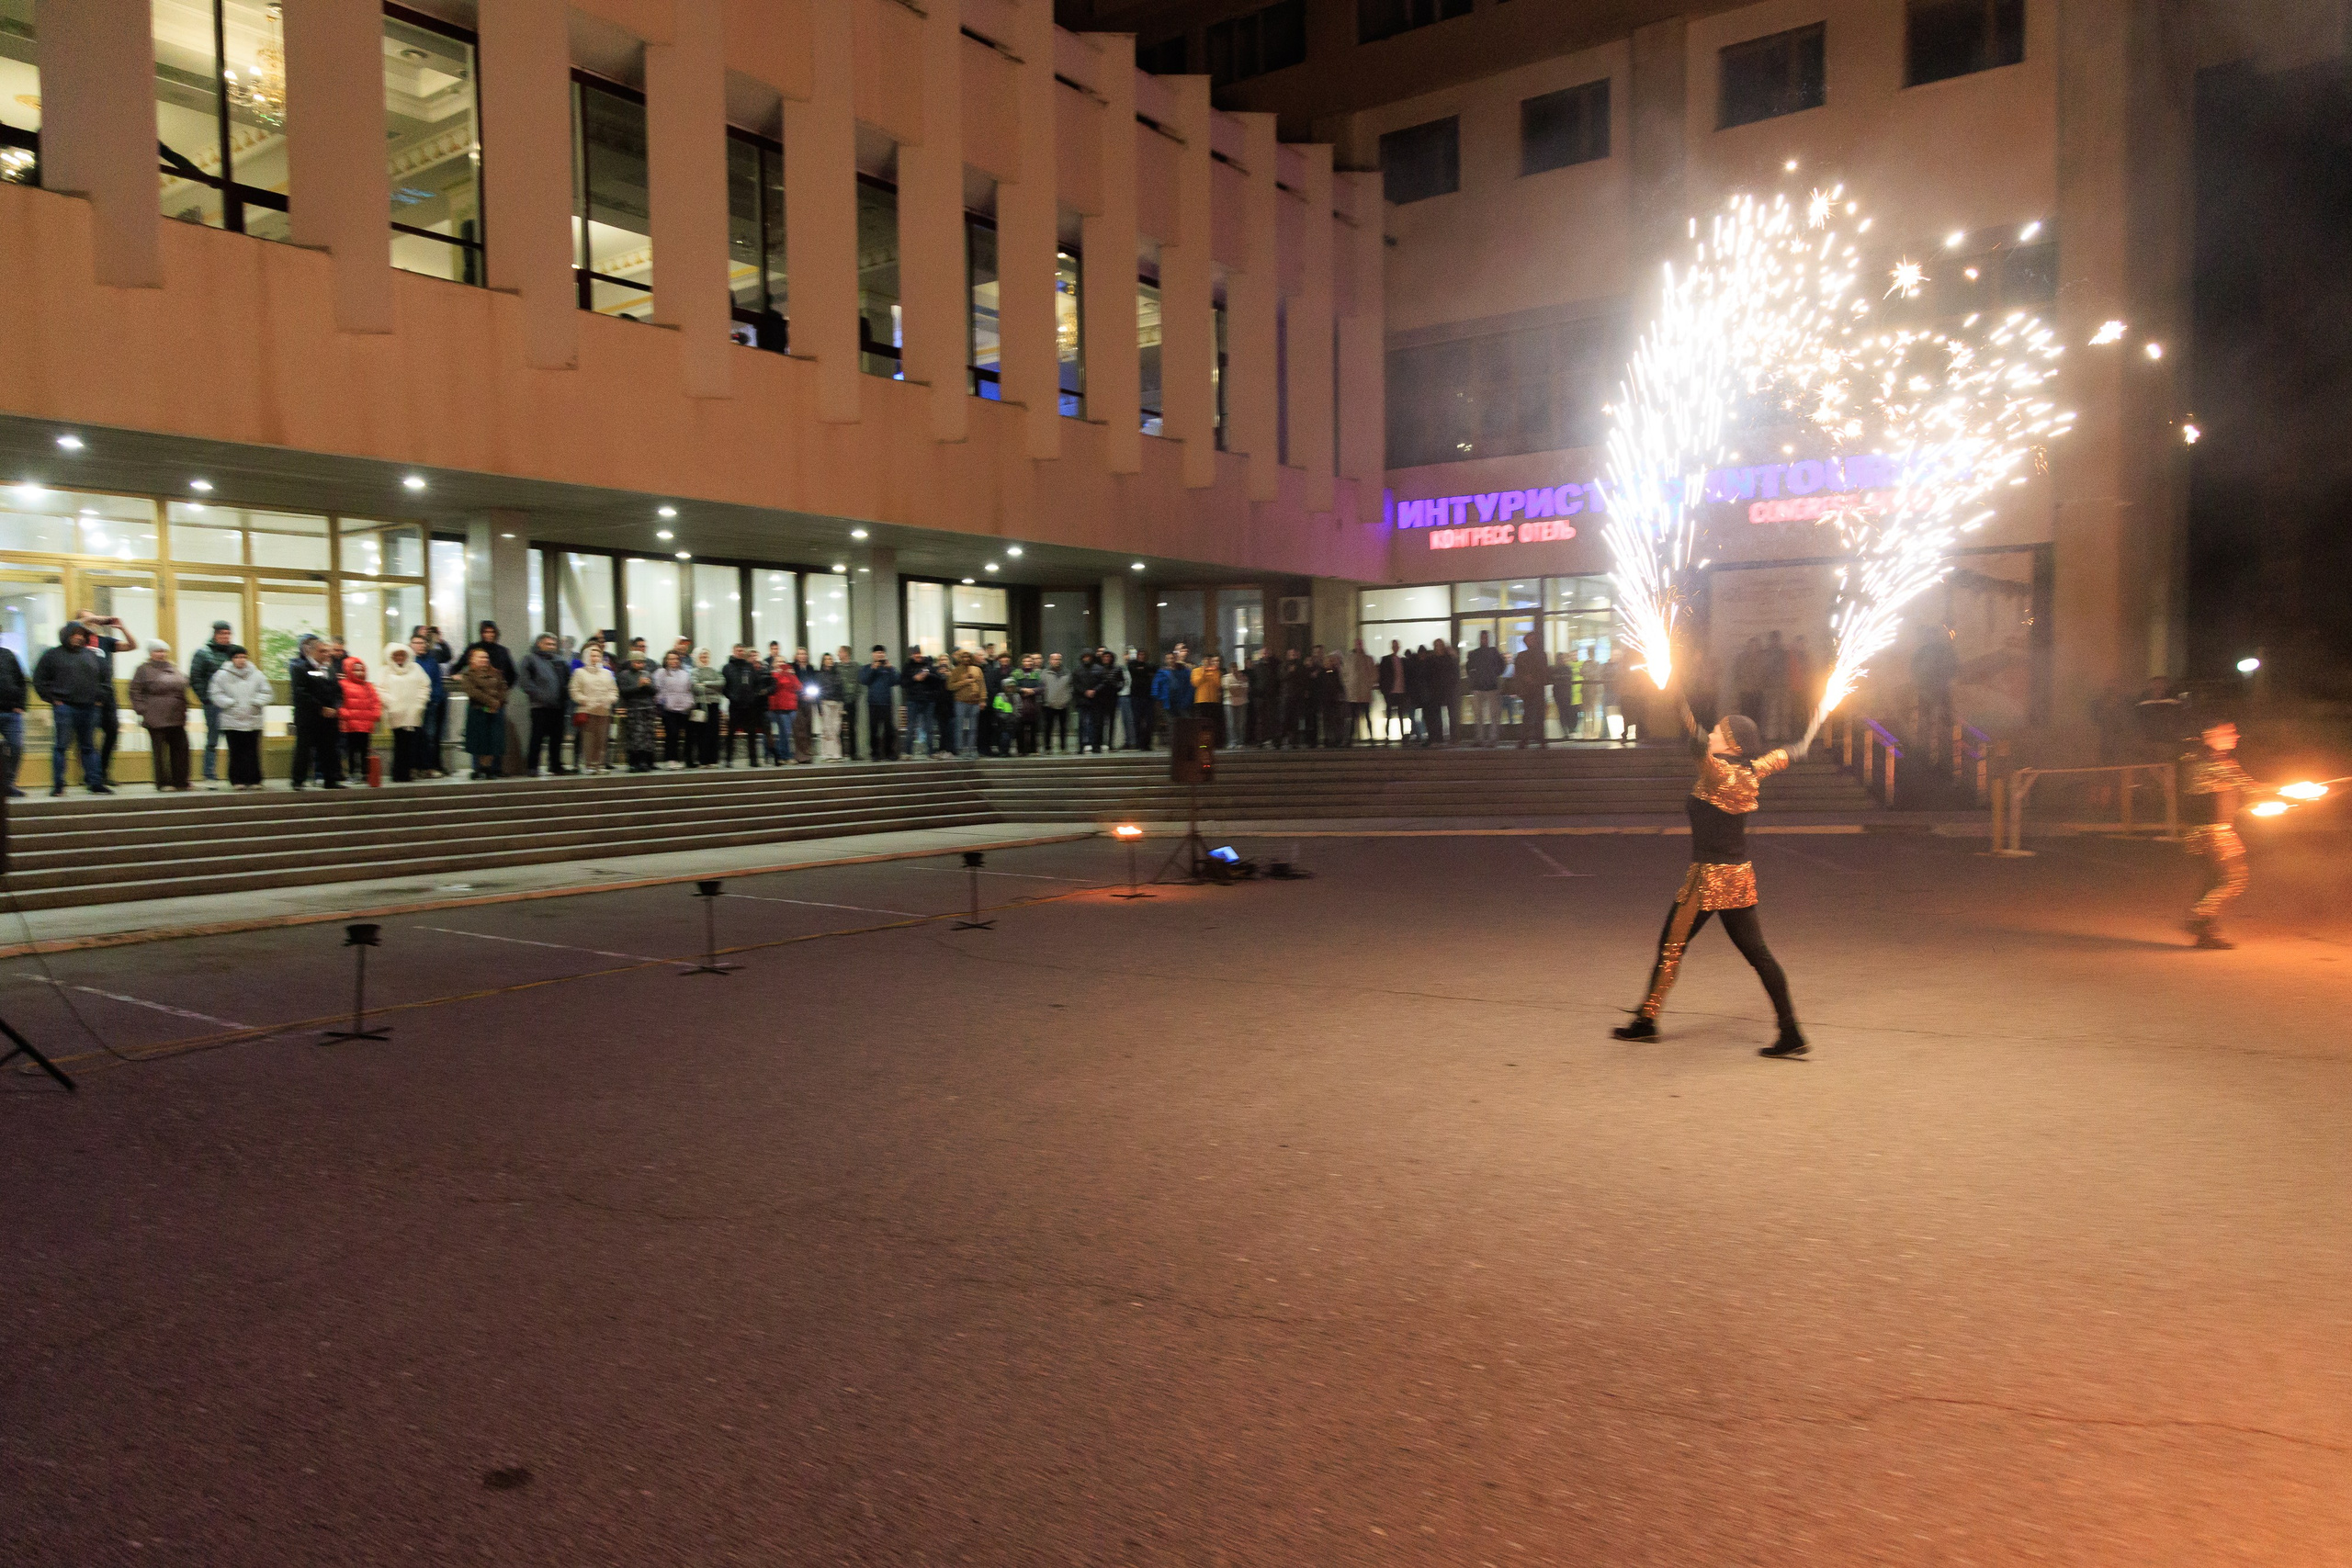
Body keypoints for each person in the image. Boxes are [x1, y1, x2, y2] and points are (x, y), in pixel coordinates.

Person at [1613, 699, 1810, 1058]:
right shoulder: (1751, 771)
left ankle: (1646, 1022)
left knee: (1671, 948)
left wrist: (1677, 699)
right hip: (1739, 878)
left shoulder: (1719, 773)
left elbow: (1695, 739)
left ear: (1733, 745)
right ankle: (1791, 1030)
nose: (1714, 732)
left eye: (1720, 730)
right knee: (1759, 955)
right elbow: (1776, 758)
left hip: (1707, 881)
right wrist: (1796, 750)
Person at [2178, 716, 2268, 950]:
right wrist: (2291, 792)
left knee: (2214, 880)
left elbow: (2235, 792)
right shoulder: (2211, 763)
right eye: (2228, 732)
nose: (2235, 736)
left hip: (2212, 831)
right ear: (2210, 736)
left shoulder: (2212, 761)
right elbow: (2248, 786)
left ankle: (2205, 933)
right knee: (2232, 879)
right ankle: (2197, 918)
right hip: (2210, 833)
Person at [75, 609, 134, 785]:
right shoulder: (76, 642)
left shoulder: (105, 642)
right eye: (88, 619)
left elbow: (132, 646)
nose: (94, 622)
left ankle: (103, 772)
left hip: (107, 693)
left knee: (112, 731)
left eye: (95, 618)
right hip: (85, 695)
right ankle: (90, 775)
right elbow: (77, 623)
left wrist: (122, 628)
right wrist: (97, 618)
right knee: (87, 736)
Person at [127, 640, 194, 791]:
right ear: (151, 653)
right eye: (157, 651)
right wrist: (142, 710)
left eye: (163, 651)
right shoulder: (143, 669)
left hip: (176, 716)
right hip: (155, 716)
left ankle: (181, 781)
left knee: (181, 748)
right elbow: (135, 691)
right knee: (159, 752)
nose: (161, 654)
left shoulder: (173, 668)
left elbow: (183, 686)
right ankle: (163, 782)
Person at [286, 635, 346, 789]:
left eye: (327, 651)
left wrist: (335, 707)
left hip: (329, 717)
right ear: (310, 651)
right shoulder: (299, 667)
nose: (326, 654)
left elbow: (338, 691)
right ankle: (298, 781)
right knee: (304, 749)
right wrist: (321, 708)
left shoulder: (329, 669)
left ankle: (331, 780)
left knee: (329, 749)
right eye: (322, 651)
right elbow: (301, 693)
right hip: (308, 717)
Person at [209, 646, 270, 789]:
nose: (241, 660)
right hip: (232, 719)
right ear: (231, 659)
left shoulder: (257, 674)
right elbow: (215, 693)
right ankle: (237, 780)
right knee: (236, 751)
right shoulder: (221, 675)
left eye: (243, 657)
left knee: (252, 751)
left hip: (252, 718)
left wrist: (257, 702)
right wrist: (230, 703)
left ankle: (254, 780)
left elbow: (266, 692)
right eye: (237, 657)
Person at [187, 620, 235, 785]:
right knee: (213, 739)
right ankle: (209, 774)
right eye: (222, 633)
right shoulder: (203, 653)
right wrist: (206, 698)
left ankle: (234, 775)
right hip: (213, 704)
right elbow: (196, 678)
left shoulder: (235, 653)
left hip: (233, 705)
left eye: (228, 633)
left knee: (234, 740)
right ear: (215, 635)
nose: (226, 637)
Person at [377, 641, 431, 783]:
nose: (400, 657)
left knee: (411, 744)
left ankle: (407, 772)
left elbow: (424, 686)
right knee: (399, 743)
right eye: (396, 655)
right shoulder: (384, 671)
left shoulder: (416, 668)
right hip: (395, 713)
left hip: (413, 712)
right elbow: (380, 690)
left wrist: (420, 703)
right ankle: (398, 773)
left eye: (402, 654)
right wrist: (392, 703)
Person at [519, 632, 571, 777]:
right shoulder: (530, 659)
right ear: (539, 644)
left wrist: (565, 695)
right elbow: (524, 681)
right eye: (548, 644)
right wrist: (539, 696)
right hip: (540, 706)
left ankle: (555, 765)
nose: (551, 647)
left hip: (559, 706)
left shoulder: (560, 661)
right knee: (537, 737)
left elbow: (567, 680)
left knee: (557, 738)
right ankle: (532, 767)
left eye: (553, 644)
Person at [453, 649, 507, 781]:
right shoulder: (468, 675)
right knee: (479, 740)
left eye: (486, 657)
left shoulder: (496, 674)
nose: (484, 660)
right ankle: (479, 767)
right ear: (472, 660)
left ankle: (488, 767)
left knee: (493, 741)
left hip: (495, 712)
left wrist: (499, 702)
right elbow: (473, 692)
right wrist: (491, 702)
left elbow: (503, 688)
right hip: (478, 710)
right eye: (481, 658)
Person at [1910, 625, 1959, 762]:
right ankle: (1939, 756)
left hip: (1933, 691)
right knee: (1932, 723)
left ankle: (1931, 756)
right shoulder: (1944, 651)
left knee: (1933, 724)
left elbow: (1915, 671)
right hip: (1935, 691)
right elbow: (1954, 668)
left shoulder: (1923, 652)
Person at [568, 646, 617, 773]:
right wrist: (585, 700)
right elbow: (574, 690)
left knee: (602, 739)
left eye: (597, 656)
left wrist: (610, 699)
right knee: (589, 740)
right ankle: (589, 765)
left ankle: (599, 765)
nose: (595, 658)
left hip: (604, 711)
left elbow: (613, 690)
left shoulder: (607, 673)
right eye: (592, 655)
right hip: (587, 711)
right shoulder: (579, 672)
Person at [723, 645, 774, 765]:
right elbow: (724, 686)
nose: (740, 653)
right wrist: (732, 697)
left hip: (750, 706)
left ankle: (753, 759)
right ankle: (728, 759)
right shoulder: (727, 668)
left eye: (742, 651)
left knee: (752, 732)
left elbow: (756, 684)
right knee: (731, 732)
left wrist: (754, 696)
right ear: (733, 652)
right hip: (735, 705)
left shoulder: (749, 667)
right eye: (738, 651)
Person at [337, 655, 382, 782]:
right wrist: (344, 714)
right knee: (351, 751)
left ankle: (365, 772)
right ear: (348, 670)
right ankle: (351, 772)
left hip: (365, 725)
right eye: (355, 670)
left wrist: (375, 714)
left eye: (361, 669)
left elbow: (375, 702)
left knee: (364, 750)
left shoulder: (368, 686)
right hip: (350, 725)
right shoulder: (343, 685)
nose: (359, 672)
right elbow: (338, 702)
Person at [614, 650, 659, 772]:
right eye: (637, 662)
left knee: (647, 736)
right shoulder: (624, 675)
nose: (640, 665)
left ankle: (646, 761)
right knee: (635, 736)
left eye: (642, 662)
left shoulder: (647, 674)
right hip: (634, 709)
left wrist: (648, 685)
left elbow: (655, 691)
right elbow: (624, 692)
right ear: (631, 662)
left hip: (648, 709)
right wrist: (638, 686)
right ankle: (634, 762)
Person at [412, 631, 447, 776]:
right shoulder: (410, 661)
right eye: (417, 643)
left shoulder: (432, 661)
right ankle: (415, 766)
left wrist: (436, 699)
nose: (420, 646)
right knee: (415, 738)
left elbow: (437, 682)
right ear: (411, 645)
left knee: (430, 737)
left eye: (422, 643)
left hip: (430, 704)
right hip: (413, 706)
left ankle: (429, 767)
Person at [651, 649, 694, 767]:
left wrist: (689, 702)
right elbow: (657, 689)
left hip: (683, 708)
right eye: (671, 659)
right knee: (672, 733)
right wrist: (661, 702)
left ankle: (683, 759)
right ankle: (670, 759)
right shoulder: (661, 673)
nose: (674, 661)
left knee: (683, 734)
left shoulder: (684, 673)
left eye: (676, 659)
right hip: (668, 709)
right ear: (666, 660)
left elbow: (688, 689)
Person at [1465, 630, 1506, 746]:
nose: (1484, 640)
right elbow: (1502, 665)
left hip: (1485, 686)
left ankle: (1486, 738)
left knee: (1487, 715)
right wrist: (1494, 674)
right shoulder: (1492, 652)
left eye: (1485, 638)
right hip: (1486, 686)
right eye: (1483, 638)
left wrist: (1476, 677)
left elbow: (1469, 667)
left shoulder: (1478, 653)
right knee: (1484, 715)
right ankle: (1484, 738)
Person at [859, 647, 899, 761]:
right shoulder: (867, 667)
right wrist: (873, 668)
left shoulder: (888, 668)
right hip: (873, 703)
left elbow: (897, 681)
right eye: (877, 653)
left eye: (882, 653)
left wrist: (891, 669)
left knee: (889, 730)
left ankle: (889, 753)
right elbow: (864, 680)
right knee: (874, 729)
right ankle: (875, 753)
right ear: (873, 655)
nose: (880, 655)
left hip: (887, 703)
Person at [1077, 649, 1120, 754]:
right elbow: (1075, 684)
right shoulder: (1078, 670)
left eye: (1088, 656)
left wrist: (1094, 691)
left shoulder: (1099, 669)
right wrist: (1084, 692)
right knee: (1082, 724)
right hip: (1082, 700)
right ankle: (1081, 746)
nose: (1087, 658)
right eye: (1085, 657)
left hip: (1097, 701)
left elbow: (1103, 682)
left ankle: (1096, 745)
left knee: (1096, 724)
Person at [689, 647, 727, 767]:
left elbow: (721, 683)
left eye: (706, 656)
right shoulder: (695, 671)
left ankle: (713, 759)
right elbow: (695, 687)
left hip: (714, 705)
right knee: (702, 732)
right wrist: (712, 687)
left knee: (714, 731)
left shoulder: (715, 671)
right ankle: (703, 760)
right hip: (700, 705)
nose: (704, 659)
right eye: (702, 656)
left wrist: (705, 684)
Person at [1512, 631, 1551, 748]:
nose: (1532, 642)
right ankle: (1527, 739)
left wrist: (1532, 678)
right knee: (1529, 715)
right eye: (1530, 640)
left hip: (1536, 688)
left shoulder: (1538, 655)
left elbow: (1544, 671)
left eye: (1533, 639)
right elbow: (1518, 673)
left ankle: (1538, 738)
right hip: (1529, 689)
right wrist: (1526, 679)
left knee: (1538, 714)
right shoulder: (1523, 656)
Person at [901, 650, 940, 758]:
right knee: (911, 727)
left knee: (929, 727)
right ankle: (908, 752)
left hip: (928, 700)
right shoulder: (908, 666)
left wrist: (928, 675)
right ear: (912, 655)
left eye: (919, 654)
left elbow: (938, 680)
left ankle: (931, 752)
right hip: (913, 700)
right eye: (915, 653)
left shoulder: (928, 665)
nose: (918, 656)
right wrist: (914, 678)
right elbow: (903, 683)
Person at [947, 649, 985, 756]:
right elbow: (950, 686)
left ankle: (972, 749)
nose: (966, 659)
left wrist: (983, 700)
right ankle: (960, 749)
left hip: (975, 703)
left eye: (968, 657)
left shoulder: (977, 670)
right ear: (960, 659)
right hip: (960, 703)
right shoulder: (956, 671)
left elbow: (982, 686)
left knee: (973, 728)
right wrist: (965, 682)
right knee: (960, 727)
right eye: (964, 657)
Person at [765, 655, 802, 763]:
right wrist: (781, 674)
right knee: (784, 731)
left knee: (786, 731)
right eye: (778, 661)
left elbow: (799, 687)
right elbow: (774, 687)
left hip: (791, 706)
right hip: (779, 707)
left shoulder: (790, 674)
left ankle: (783, 755)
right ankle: (784, 755)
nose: (781, 663)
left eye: (782, 661)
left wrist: (792, 675)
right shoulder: (773, 675)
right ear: (774, 663)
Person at [0, 635, 23, 798]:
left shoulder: (8, 655)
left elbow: (21, 681)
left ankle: (8, 784)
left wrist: (20, 704)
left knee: (16, 747)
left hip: (10, 712)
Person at [461, 620, 517, 684]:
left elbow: (511, 673)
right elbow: (459, 665)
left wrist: (504, 687)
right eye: (486, 632)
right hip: (477, 687)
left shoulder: (502, 651)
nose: (489, 635)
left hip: (497, 689)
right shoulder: (473, 648)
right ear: (482, 633)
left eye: (492, 632)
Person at [1424, 638, 1457, 747]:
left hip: (1447, 689)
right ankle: (1438, 737)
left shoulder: (1447, 658)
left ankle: (1452, 737)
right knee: (1437, 715)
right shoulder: (1431, 659)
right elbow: (1428, 675)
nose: (1438, 647)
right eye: (1436, 645)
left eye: (1440, 645)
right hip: (1436, 690)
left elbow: (1454, 672)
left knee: (1451, 714)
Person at [1039, 651, 1075, 752]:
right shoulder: (1044, 673)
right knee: (1048, 728)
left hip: (1063, 705)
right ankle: (1047, 748)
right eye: (1054, 659)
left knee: (1063, 728)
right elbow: (1041, 688)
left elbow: (1071, 687)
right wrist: (1045, 700)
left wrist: (1067, 699)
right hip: (1048, 705)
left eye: (1058, 659)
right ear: (1050, 660)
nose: (1056, 661)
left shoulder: (1067, 673)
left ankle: (1063, 748)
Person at [813, 653, 844, 762]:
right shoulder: (819, 675)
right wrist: (819, 708)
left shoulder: (837, 674)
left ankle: (836, 753)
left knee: (836, 728)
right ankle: (827, 754)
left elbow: (841, 690)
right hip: (824, 702)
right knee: (827, 728)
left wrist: (842, 705)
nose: (829, 661)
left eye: (830, 659)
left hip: (837, 703)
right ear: (823, 661)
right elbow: (817, 692)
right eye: (826, 659)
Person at [835, 645, 865, 761]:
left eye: (840, 652)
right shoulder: (836, 667)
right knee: (839, 727)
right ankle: (841, 752)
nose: (838, 654)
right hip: (839, 702)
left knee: (852, 727)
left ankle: (854, 753)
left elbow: (859, 683)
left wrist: (855, 696)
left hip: (852, 701)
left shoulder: (856, 666)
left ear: (846, 653)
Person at [1377, 639, 1408, 743]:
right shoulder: (1387, 660)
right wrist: (1383, 689)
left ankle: (1400, 734)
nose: (1395, 648)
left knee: (1398, 713)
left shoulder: (1401, 661)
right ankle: (1388, 735)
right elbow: (1381, 675)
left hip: (1400, 690)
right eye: (1394, 646)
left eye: (1396, 646)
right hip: (1391, 690)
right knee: (1391, 713)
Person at [1190, 654, 1225, 748]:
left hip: (1213, 700)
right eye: (1205, 660)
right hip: (1201, 700)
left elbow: (1218, 684)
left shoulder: (1216, 671)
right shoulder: (1196, 671)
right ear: (1202, 661)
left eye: (1209, 660)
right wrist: (1203, 672)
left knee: (1213, 723)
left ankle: (1215, 743)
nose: (1207, 662)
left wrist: (1214, 672)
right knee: (1202, 723)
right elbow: (1196, 683)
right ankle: (1202, 743)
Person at [1222, 655, 1249, 751]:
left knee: (1241, 723)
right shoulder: (1226, 677)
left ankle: (1240, 742)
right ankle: (1232, 742)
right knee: (1231, 723)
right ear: (1230, 669)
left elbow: (1245, 689)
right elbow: (1229, 689)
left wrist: (1236, 687)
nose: (1234, 669)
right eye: (1232, 668)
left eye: (1236, 667)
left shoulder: (1243, 677)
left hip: (1242, 702)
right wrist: (1237, 687)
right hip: (1229, 702)